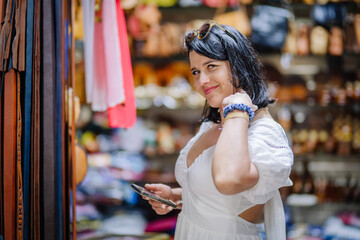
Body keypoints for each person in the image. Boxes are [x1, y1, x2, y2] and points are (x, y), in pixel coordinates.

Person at [143, 20, 294, 240]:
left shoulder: (266, 135)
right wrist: (177, 197)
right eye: (195, 71)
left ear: (239, 67)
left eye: (211, 66)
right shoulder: (214, 123)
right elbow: (217, 200)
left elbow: (228, 179)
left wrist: (239, 109)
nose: (201, 81)